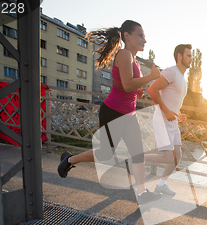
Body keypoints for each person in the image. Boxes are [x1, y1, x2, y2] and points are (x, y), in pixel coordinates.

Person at [57, 20, 162, 205]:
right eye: (140, 35)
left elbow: (126, 85)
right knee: (105, 153)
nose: (144, 39)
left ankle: (143, 192)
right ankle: (69, 159)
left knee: (137, 153)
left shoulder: (133, 59)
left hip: (128, 114)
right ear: (127, 36)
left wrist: (137, 91)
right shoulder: (124, 55)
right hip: (113, 112)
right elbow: (128, 83)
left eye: (144, 36)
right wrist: (151, 77)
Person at [146, 44, 192, 195]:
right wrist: (166, 111)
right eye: (188, 55)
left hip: (172, 122)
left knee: (176, 156)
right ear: (179, 57)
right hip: (161, 119)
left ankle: (161, 184)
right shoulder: (171, 72)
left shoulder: (181, 78)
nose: (191, 59)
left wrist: (179, 115)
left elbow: (172, 100)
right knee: (168, 158)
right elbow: (152, 90)